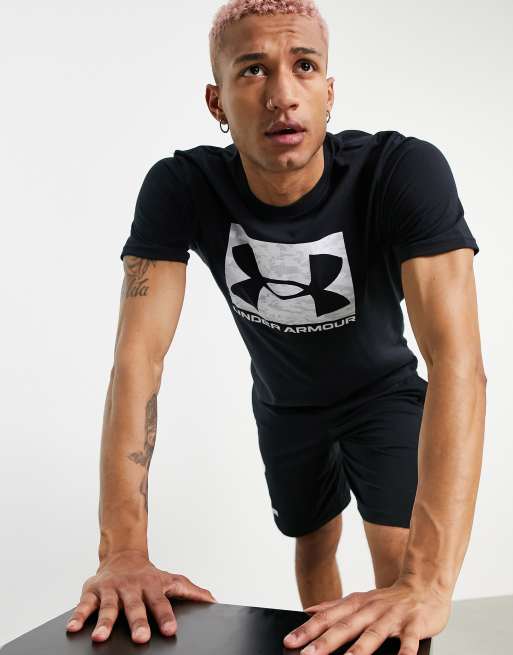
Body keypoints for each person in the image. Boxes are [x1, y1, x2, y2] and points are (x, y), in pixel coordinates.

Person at [65, 1, 487, 653]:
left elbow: (458, 362)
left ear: (329, 92)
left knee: (397, 559)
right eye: (253, 70)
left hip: (381, 394)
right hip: (284, 404)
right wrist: (122, 551)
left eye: (304, 66)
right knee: (312, 541)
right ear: (216, 101)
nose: (282, 95)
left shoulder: (401, 172)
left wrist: (428, 584)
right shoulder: (181, 188)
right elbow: (137, 363)